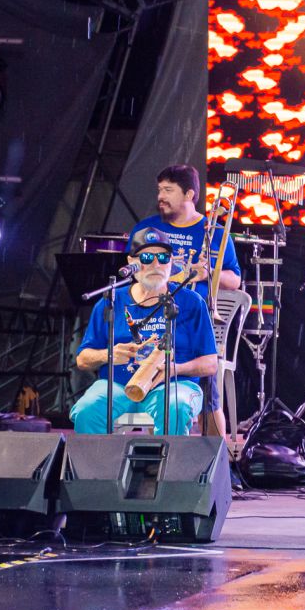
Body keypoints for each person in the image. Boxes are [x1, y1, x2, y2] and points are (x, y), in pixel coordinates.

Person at [127, 165, 241, 436]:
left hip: (194, 321)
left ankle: (218, 456)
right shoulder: (146, 228)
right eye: (159, 190)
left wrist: (207, 272)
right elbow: (134, 273)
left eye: (168, 190)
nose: (161, 196)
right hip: (152, 319)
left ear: (189, 194)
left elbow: (235, 279)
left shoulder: (214, 231)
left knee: (210, 398)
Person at [71, 227, 218, 435]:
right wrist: (109, 354)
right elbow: (82, 359)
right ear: (131, 262)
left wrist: (175, 369)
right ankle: (95, 458)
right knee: (87, 410)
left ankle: (167, 458)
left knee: (174, 407)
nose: (156, 264)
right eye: (147, 257)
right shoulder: (111, 301)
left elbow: (211, 363)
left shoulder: (192, 302)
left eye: (163, 257)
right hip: (118, 387)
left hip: (172, 385)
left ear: (171, 261)